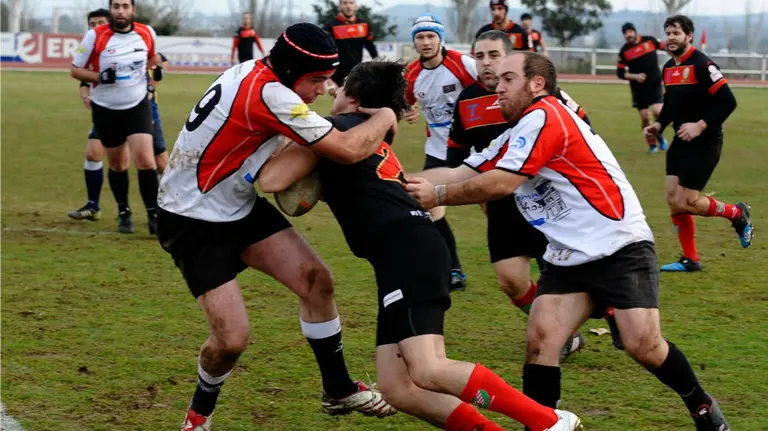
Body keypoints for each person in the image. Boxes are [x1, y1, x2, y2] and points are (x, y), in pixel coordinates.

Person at [406, 51, 732, 431]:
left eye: (509, 79)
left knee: (643, 346)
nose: (498, 88)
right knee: (541, 341)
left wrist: (438, 196)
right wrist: (390, 181)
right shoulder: (517, 132)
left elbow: (501, 184)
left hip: (618, 245)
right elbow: (461, 170)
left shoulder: (545, 116)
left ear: (537, 84)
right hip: (568, 256)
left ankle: (701, 405)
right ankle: (543, 425)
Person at [257, 59, 583, 431]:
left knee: (429, 368)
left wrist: (285, 136)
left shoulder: (338, 128)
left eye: (341, 86)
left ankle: (548, 421)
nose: (333, 91)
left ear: (353, 98)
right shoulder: (363, 132)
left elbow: (272, 180)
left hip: (407, 251)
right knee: (399, 388)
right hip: (406, 251)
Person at [156, 23, 399, 431]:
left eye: (328, 80)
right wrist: (388, 114)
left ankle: (338, 388)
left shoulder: (255, 72)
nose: (324, 88)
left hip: (235, 202)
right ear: (291, 72)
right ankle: (198, 417)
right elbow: (346, 149)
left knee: (317, 281)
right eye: (316, 80)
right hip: (191, 218)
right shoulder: (270, 93)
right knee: (231, 341)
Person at [448, 30, 599, 360]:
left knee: (564, 276)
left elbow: (585, 131)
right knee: (510, 280)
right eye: (479, 56)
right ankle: (569, 332)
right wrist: (473, 191)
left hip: (546, 199)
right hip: (500, 202)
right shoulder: (466, 101)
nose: (486, 63)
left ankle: (581, 326)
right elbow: (456, 152)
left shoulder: (542, 93)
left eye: (494, 55)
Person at [644, 15, 752, 273]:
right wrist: (659, 125)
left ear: (689, 36)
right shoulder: (668, 68)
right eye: (668, 33)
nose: (671, 37)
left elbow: (728, 101)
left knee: (689, 201)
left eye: (676, 33)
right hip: (681, 140)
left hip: (706, 142)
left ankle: (737, 213)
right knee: (673, 199)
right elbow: (671, 104)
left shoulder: (702, 64)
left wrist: (700, 125)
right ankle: (691, 259)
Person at [71, 0, 164, 235]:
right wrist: (99, 77)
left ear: (133, 10)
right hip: (106, 108)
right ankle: (124, 211)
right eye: (116, 6)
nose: (120, 11)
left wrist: (156, 71)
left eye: (125, 6)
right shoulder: (95, 36)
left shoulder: (146, 32)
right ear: (111, 9)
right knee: (118, 164)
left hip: (137, 105)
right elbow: (75, 70)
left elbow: (153, 59)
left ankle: (153, 214)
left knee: (146, 161)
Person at [404, 14, 475, 291]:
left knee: (492, 203)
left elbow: (487, 89)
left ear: (440, 38)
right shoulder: (412, 73)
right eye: (420, 37)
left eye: (431, 36)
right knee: (429, 206)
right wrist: (407, 111)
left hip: (471, 148)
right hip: (437, 150)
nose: (426, 42)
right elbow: (404, 102)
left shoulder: (462, 63)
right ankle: (453, 269)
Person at [67, 8, 111, 222]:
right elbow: (83, 81)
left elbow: (158, 62)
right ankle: (93, 206)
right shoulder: (91, 51)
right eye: (92, 24)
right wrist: (86, 97)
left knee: (154, 161)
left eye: (100, 23)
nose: (95, 28)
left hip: (137, 111)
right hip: (105, 112)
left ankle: (157, 211)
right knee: (93, 154)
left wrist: (150, 89)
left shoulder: (128, 44)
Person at [617, 22, 669, 153]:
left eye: (630, 32)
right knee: (645, 118)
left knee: (658, 112)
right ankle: (652, 144)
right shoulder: (624, 52)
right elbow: (620, 73)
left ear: (635, 31)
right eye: (625, 33)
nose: (628, 35)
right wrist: (635, 76)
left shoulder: (650, 41)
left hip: (654, 84)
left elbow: (666, 48)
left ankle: (660, 136)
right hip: (638, 89)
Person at [323, 0, 379, 95]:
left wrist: (379, 65)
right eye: (345, 3)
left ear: (356, 6)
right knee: (344, 102)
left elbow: (371, 47)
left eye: (351, 3)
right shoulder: (330, 26)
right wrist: (328, 79)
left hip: (357, 73)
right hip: (337, 76)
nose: (348, 6)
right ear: (339, 6)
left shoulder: (363, 25)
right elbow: (324, 52)